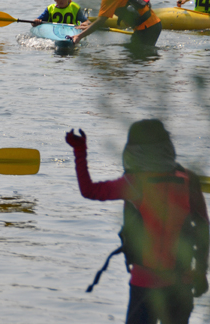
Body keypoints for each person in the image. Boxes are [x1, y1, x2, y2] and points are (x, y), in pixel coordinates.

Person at [65, 120, 209, 324]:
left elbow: (88, 190)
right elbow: (204, 230)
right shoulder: (189, 180)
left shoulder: (133, 183)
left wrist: (80, 150)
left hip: (145, 285)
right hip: (181, 284)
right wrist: (202, 273)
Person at [71, 0, 162, 47]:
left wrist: (79, 36)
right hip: (150, 25)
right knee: (134, 57)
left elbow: (101, 21)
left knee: (136, 58)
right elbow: (103, 19)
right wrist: (89, 27)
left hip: (148, 27)